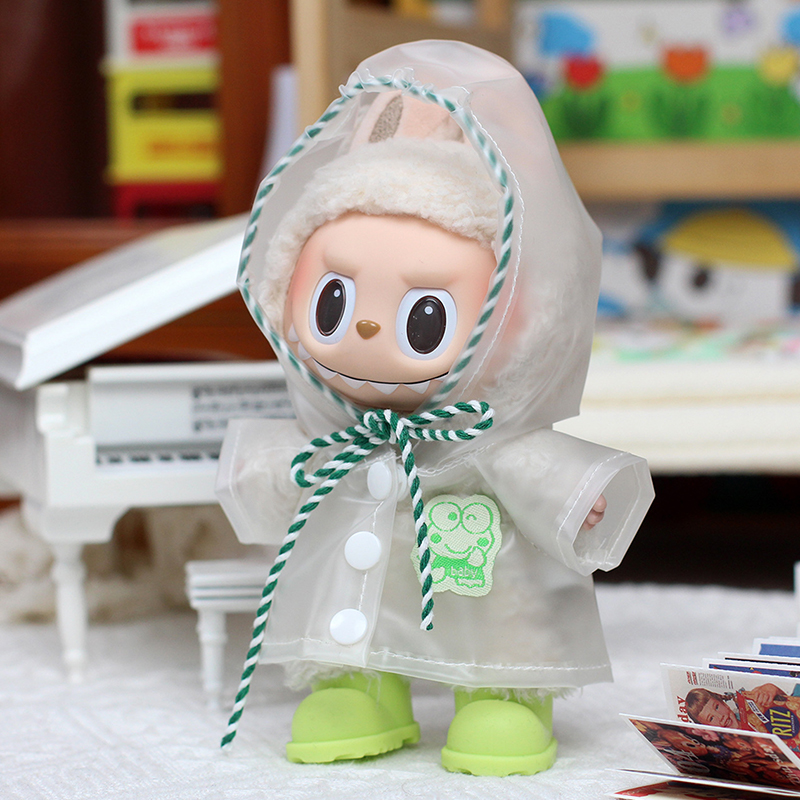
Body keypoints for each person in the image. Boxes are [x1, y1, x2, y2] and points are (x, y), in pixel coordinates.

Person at [216, 40, 654, 776]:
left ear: (518, 319)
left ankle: (503, 693)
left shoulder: (483, 434)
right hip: (372, 560)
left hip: (480, 566)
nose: (363, 329)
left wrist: (581, 499)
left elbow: (535, 466)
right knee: (350, 597)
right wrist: (267, 473)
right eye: (332, 299)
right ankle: (360, 685)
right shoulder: (340, 430)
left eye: (423, 315)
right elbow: (294, 466)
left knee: (499, 614)